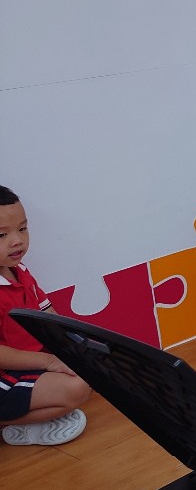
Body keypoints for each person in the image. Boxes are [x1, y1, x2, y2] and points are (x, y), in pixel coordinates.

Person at [0, 186, 91, 446]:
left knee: (90, 370)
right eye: (2, 234)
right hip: (6, 373)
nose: (17, 241)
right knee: (77, 387)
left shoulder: (20, 271)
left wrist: (72, 347)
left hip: (29, 364)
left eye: (22, 229)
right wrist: (50, 361)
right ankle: (12, 425)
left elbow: (47, 315)